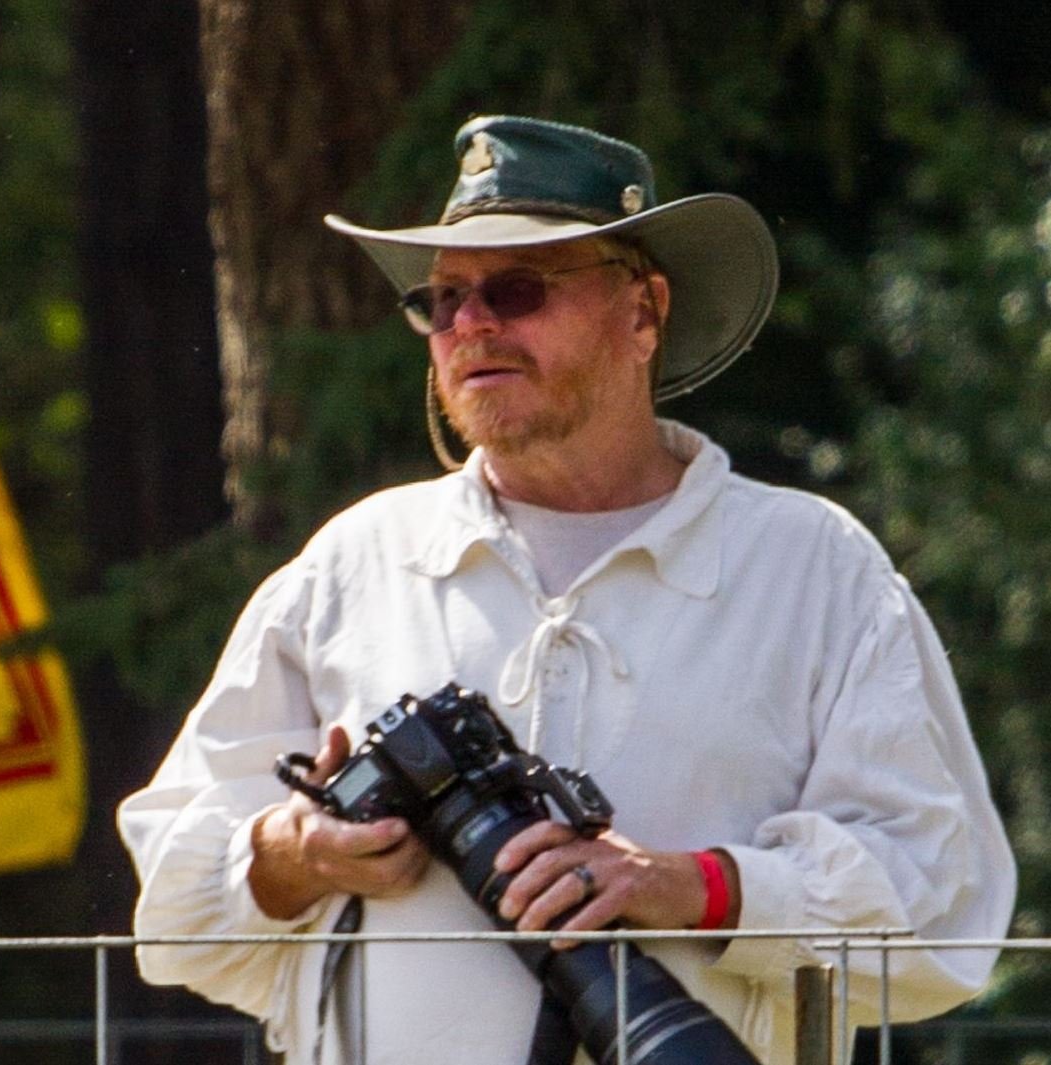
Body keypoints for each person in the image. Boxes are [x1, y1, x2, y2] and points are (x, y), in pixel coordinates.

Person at [117, 115, 1016, 1065]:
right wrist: (292, 855)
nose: (471, 325)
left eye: (516, 288)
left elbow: (941, 910)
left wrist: (692, 886)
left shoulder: (815, 569)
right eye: (443, 299)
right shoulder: (355, 562)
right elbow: (172, 912)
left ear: (642, 311)